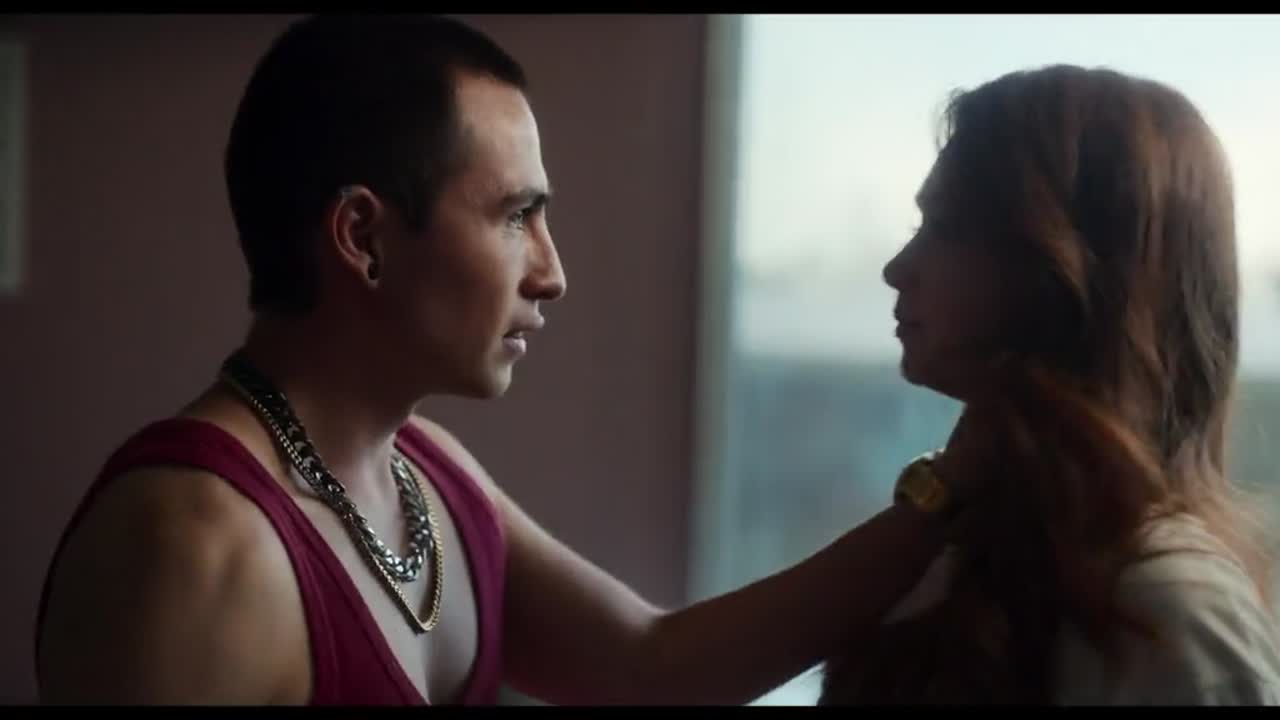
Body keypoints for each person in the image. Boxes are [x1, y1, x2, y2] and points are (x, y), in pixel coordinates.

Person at [34, 14, 977, 705]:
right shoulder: (193, 548)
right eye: (515, 216)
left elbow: (651, 668)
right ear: (362, 236)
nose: (551, 273)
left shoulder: (428, 473)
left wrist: (949, 490)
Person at [819, 64, 1280, 705]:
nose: (897, 269)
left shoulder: (1169, 615)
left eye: (946, 228)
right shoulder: (954, 547)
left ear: (1060, 269)